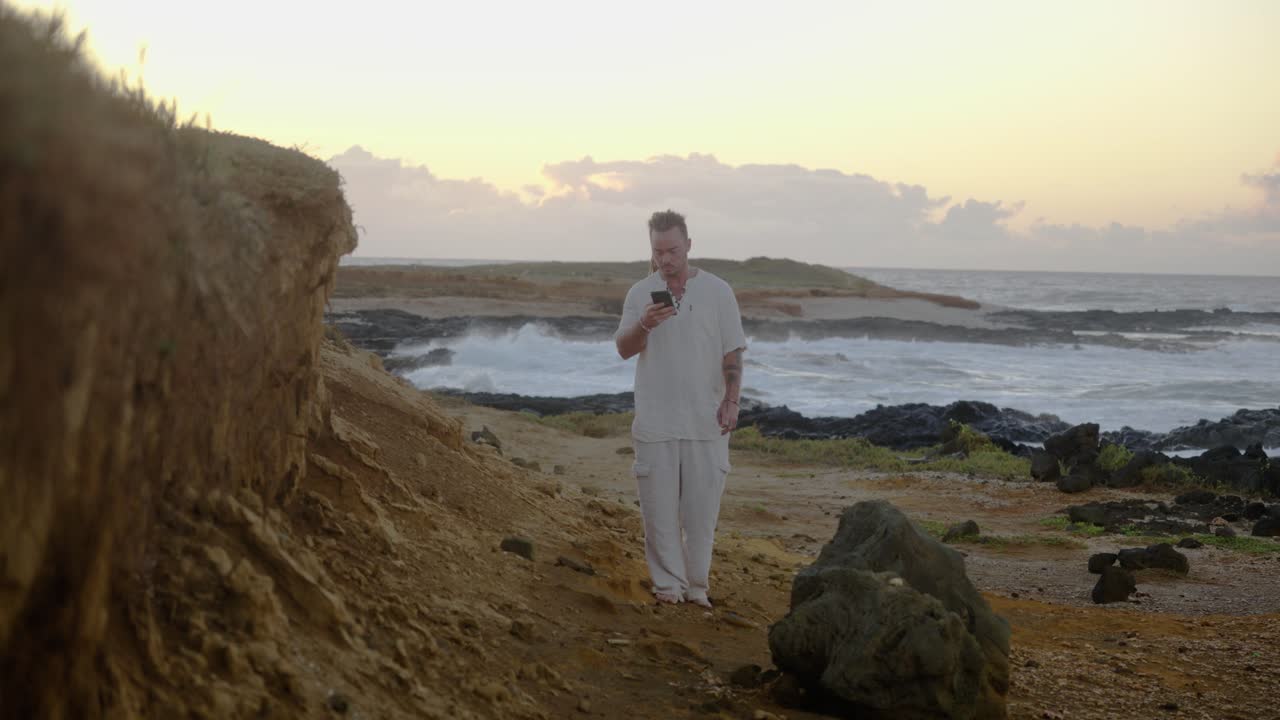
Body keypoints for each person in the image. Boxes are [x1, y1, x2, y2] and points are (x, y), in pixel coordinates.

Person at [615, 210, 747, 607]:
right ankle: (668, 587)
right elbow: (623, 348)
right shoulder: (641, 293)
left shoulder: (718, 291)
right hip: (655, 421)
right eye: (659, 251)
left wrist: (732, 400)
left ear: (688, 245)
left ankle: (698, 587)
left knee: (701, 515)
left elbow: (733, 350)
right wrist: (645, 324)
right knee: (658, 514)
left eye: (673, 249)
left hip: (706, 420)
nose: (666, 259)